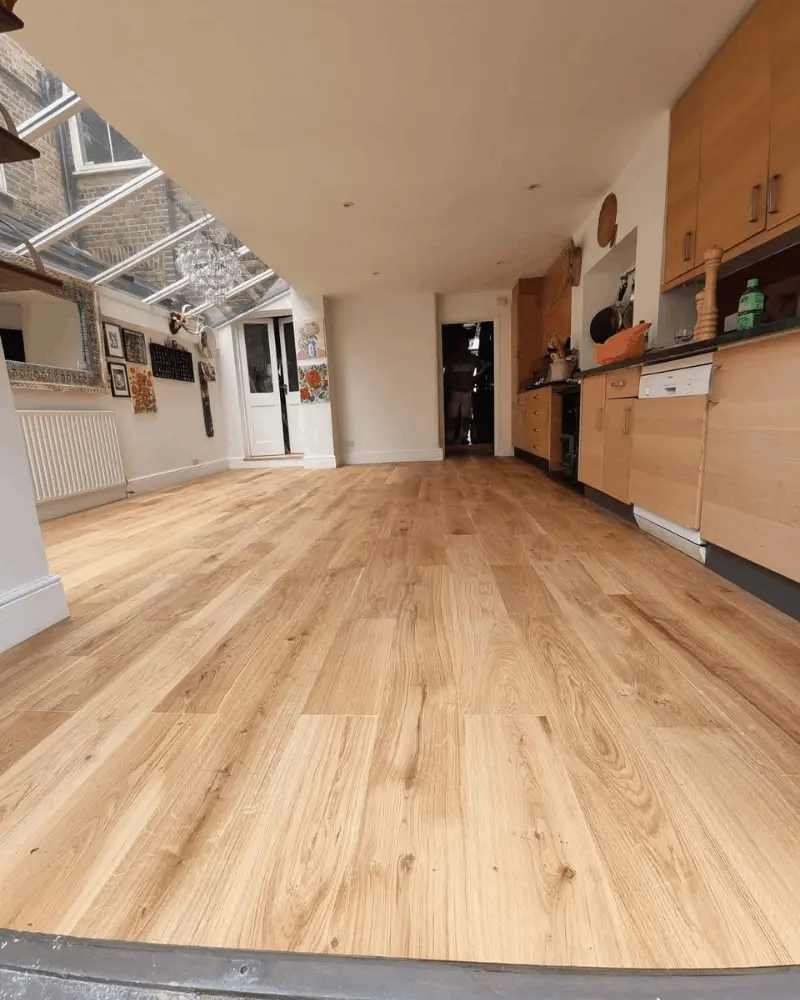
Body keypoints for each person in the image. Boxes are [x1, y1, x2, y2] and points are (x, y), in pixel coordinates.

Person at [444, 333, 487, 445]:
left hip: (466, 391)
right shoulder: (453, 358)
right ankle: (451, 436)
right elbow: (446, 375)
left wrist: (476, 376)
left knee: (464, 415)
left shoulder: (472, 358)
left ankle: (462, 436)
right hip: (456, 391)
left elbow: (484, 365)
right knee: (453, 415)